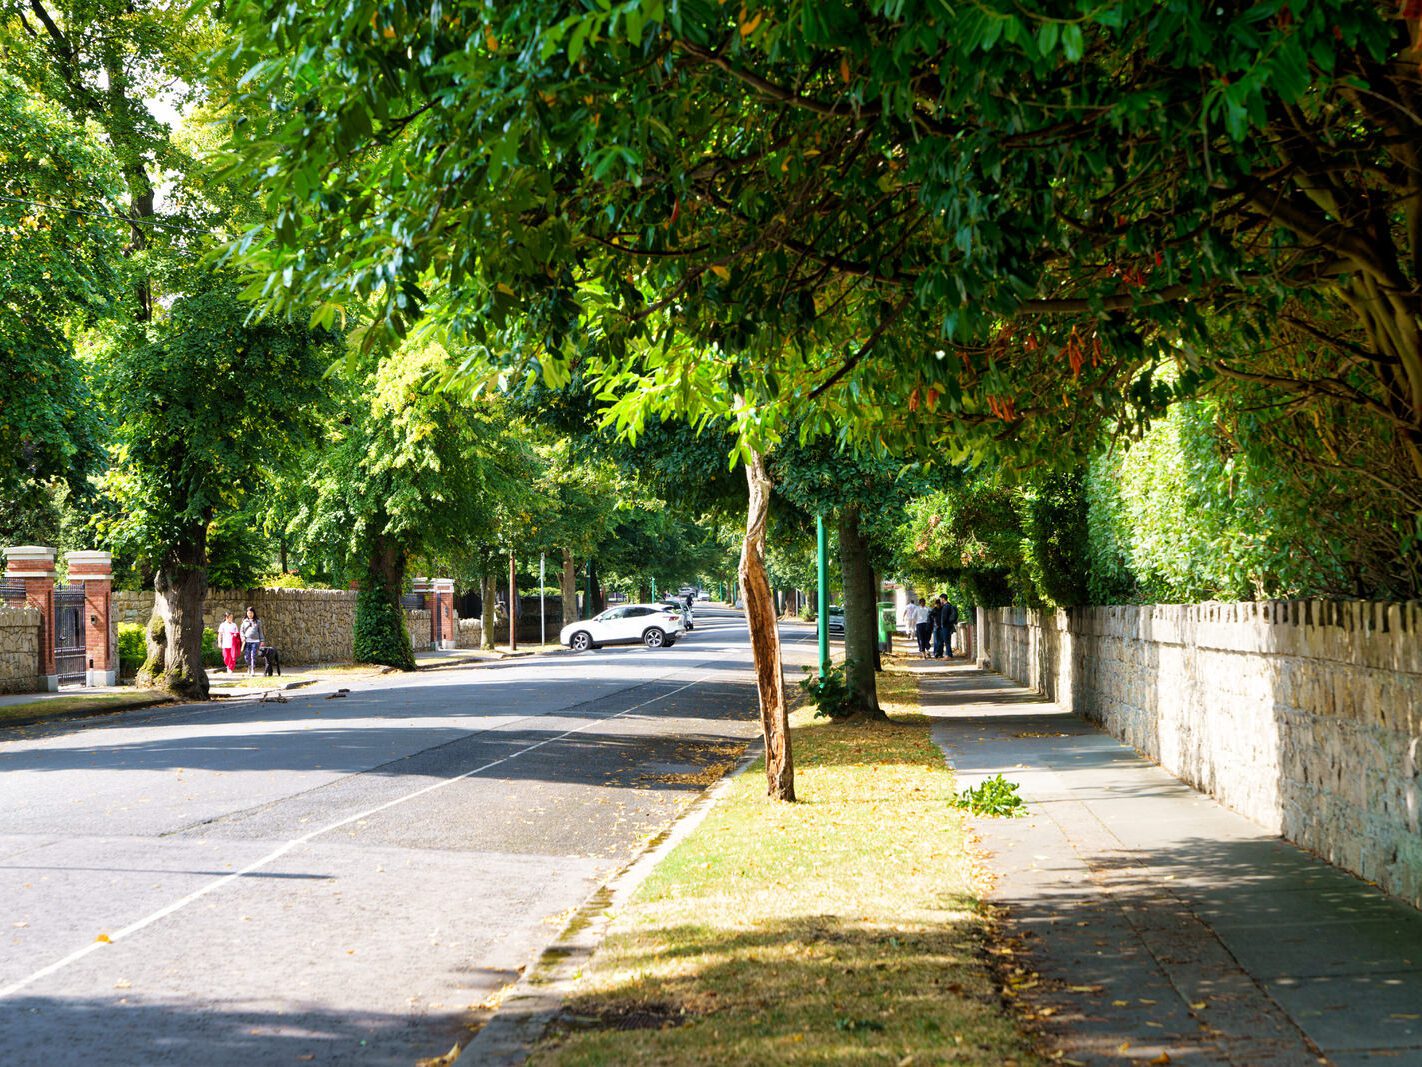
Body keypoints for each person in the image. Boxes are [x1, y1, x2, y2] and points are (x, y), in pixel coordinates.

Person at [240, 605, 265, 676]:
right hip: (247, 641)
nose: (250, 614)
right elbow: (241, 631)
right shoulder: (244, 621)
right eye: (248, 613)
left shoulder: (258, 622)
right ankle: (249, 666)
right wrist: (242, 637)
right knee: (247, 656)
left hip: (256, 641)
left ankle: (253, 670)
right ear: (247, 613)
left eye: (251, 613)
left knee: (253, 655)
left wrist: (262, 640)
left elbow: (260, 631)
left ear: (253, 613)